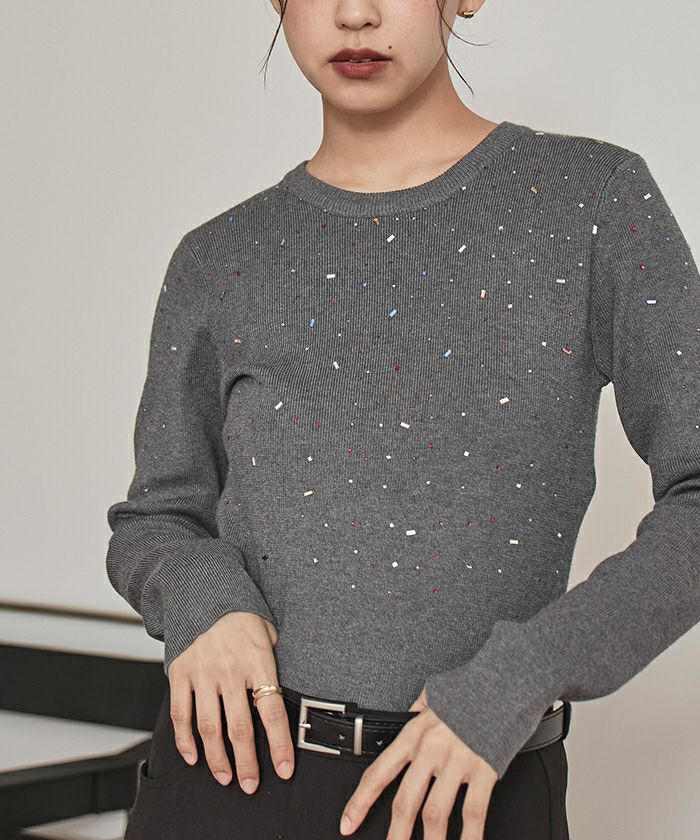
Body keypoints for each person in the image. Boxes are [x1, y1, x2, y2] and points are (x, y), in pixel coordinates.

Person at [105, 1, 700, 839]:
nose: (356, 13)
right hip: (226, 781)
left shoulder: (594, 203)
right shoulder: (218, 259)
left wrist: (516, 678)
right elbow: (155, 518)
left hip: (472, 790)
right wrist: (201, 595)